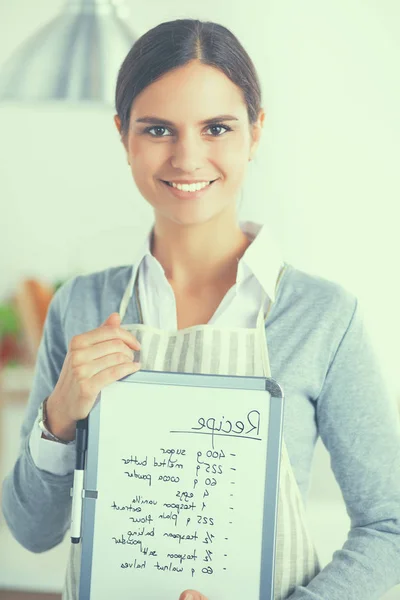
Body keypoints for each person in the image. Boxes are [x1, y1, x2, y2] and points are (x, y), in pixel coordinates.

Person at [2, 17, 400, 600]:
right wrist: (59, 419)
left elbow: (389, 525)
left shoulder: (323, 317)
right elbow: (30, 531)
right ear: (123, 136)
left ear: (256, 133)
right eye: (158, 129)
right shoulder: (80, 306)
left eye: (217, 127)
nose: (188, 158)